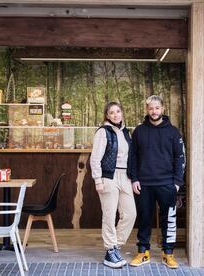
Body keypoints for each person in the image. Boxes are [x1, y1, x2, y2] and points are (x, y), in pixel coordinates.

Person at [129, 95, 185, 269]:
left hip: (167, 183)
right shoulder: (139, 131)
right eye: (151, 108)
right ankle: (143, 252)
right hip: (144, 183)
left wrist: (176, 182)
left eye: (157, 108)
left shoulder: (173, 132)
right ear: (147, 110)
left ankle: (168, 253)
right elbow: (133, 157)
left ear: (163, 109)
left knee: (168, 219)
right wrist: (134, 178)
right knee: (144, 218)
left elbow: (180, 158)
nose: (154, 111)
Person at [90, 102, 137, 268]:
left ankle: (114, 246)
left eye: (118, 111)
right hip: (108, 177)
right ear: (107, 116)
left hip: (125, 177)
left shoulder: (125, 132)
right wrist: (97, 179)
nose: (116, 115)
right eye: (112, 112)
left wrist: (133, 178)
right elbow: (95, 158)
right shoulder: (103, 132)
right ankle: (110, 252)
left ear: (122, 113)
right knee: (109, 216)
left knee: (130, 213)